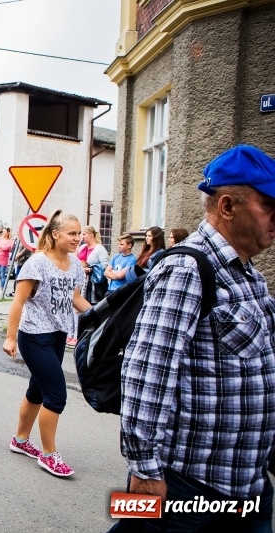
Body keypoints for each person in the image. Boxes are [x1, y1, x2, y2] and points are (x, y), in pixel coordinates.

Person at [111, 144, 275, 531]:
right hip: (183, 485)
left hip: (247, 485)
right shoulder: (186, 266)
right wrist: (144, 470)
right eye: (269, 206)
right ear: (228, 206)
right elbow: (146, 371)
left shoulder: (250, 275)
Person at [2, 210, 90, 477]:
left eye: (79, 233)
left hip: (58, 334)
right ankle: (49, 455)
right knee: (56, 394)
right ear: (55, 234)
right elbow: (18, 301)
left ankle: (20, 439)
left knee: (38, 390)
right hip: (34, 336)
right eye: (71, 233)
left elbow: (75, 299)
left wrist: (100, 316)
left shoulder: (75, 264)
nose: (77, 238)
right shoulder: (37, 263)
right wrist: (10, 337)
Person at [78, 226, 109, 304]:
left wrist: (91, 269)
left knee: (91, 303)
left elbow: (105, 266)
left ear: (91, 235)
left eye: (84, 234)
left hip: (93, 283)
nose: (82, 236)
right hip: (81, 280)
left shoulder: (100, 249)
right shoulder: (82, 247)